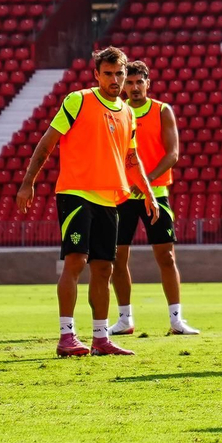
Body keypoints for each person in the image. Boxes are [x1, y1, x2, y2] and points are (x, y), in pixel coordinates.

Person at [17, 47, 156, 358]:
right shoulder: (78, 100)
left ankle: (100, 338)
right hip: (76, 194)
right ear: (96, 74)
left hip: (110, 198)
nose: (115, 80)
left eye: (119, 74)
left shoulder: (128, 112)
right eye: (108, 74)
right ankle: (67, 336)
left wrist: (147, 191)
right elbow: (47, 142)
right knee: (76, 262)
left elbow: (131, 159)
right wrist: (28, 183)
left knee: (104, 268)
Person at [109, 61, 197, 337]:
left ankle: (176, 319)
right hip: (123, 195)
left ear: (148, 83)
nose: (134, 87)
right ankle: (124, 319)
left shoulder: (162, 111)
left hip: (155, 194)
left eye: (139, 82)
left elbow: (172, 154)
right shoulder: (116, 111)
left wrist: (144, 182)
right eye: (129, 82)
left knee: (167, 256)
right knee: (117, 257)